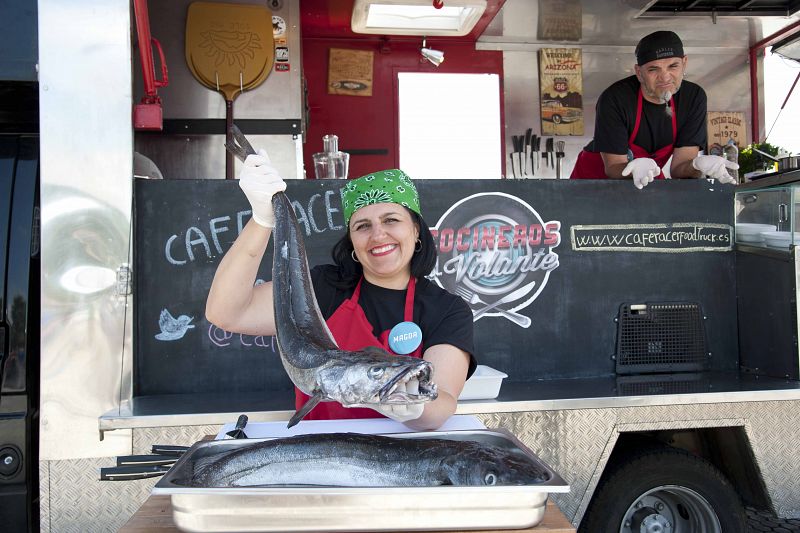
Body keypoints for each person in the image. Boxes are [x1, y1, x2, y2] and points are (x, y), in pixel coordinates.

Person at [205, 151, 476, 430]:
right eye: (363, 226)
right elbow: (227, 312)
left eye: (391, 220)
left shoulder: (447, 311)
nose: (378, 235)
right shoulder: (323, 289)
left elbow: (440, 405)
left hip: (402, 460)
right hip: (318, 458)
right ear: (352, 242)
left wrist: (395, 399)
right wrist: (262, 220)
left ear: (416, 230)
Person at [570, 30, 738, 188]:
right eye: (653, 69)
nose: (665, 77)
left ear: (684, 63)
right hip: (594, 181)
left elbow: (679, 168)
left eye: (673, 66)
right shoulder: (615, 98)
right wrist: (634, 168)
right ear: (639, 72)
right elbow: (613, 167)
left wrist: (697, 166)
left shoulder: (693, 98)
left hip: (647, 177)